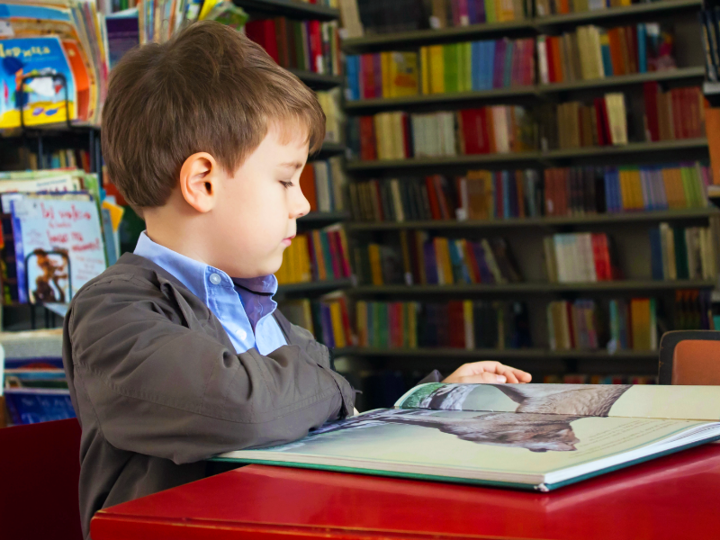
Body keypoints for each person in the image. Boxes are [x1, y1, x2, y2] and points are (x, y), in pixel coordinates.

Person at [61, 21, 531, 540]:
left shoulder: (257, 306)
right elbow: (246, 408)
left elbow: (321, 420)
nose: (303, 203)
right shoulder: (111, 312)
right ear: (203, 183)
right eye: (285, 179)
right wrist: (329, 382)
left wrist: (426, 404)